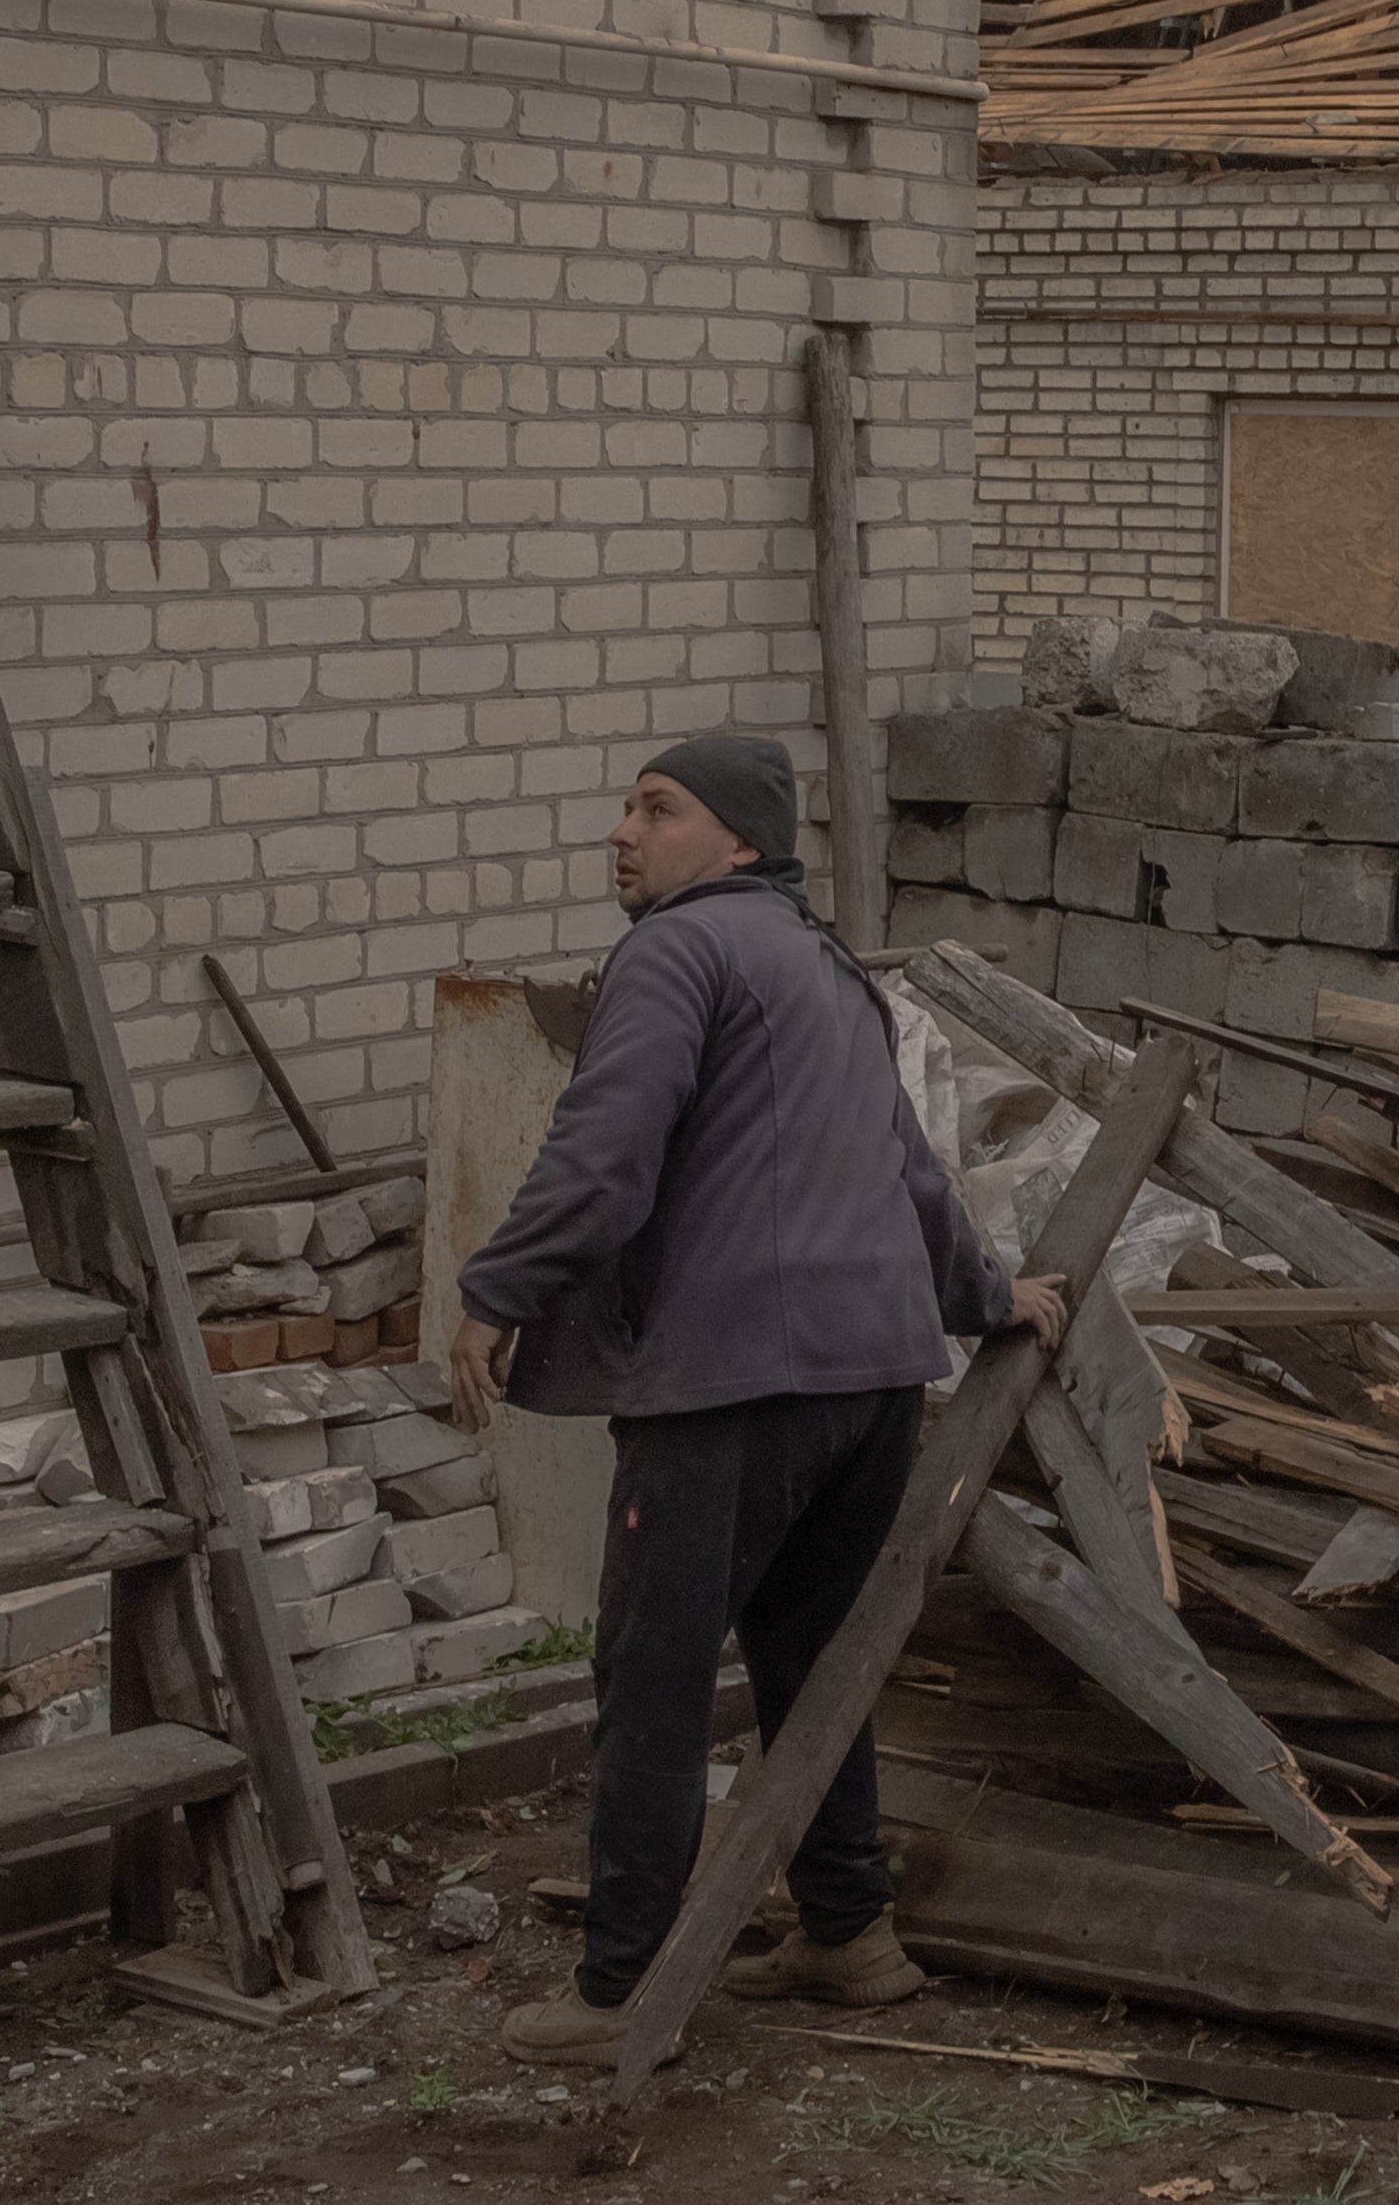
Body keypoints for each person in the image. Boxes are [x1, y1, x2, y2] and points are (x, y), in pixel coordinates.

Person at [448, 732, 1062, 2063]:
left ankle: (621, 1996)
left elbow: (603, 1153)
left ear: (734, 839)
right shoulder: (828, 969)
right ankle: (849, 1932)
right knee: (811, 1659)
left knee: (653, 1678)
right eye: (621, 803)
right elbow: (907, 1170)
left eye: (654, 808)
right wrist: (983, 1291)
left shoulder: (673, 952)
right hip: (870, 1378)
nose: (620, 829)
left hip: (732, 1380)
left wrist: (496, 1283)